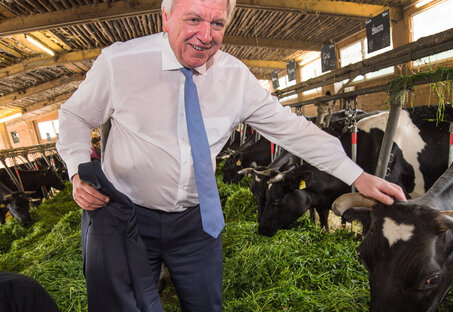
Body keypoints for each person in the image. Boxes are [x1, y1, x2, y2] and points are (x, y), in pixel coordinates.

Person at [56, 0, 407, 310]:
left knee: (207, 304)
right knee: (127, 303)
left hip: (197, 222)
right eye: (193, 19)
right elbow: (74, 115)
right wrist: (77, 171)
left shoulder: (235, 78)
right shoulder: (120, 63)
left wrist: (357, 176)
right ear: (165, 17)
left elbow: (292, 129)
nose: (206, 35)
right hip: (129, 217)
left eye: (217, 23)